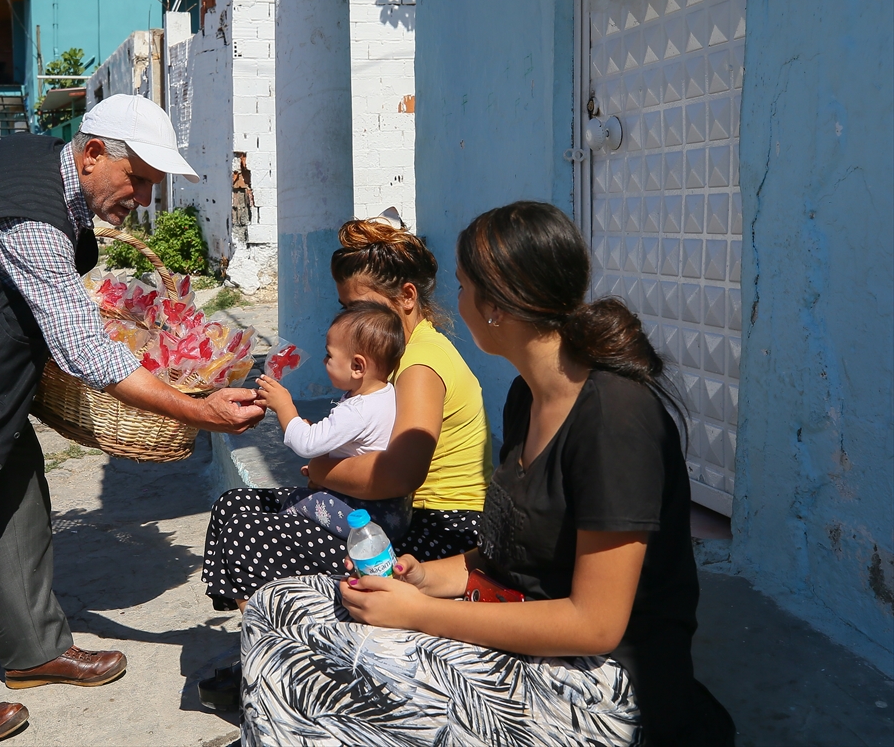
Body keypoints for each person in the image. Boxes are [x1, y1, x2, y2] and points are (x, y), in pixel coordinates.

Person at [238, 202, 735, 746]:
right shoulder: (528, 395)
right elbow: (508, 556)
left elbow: (596, 624)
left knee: (297, 673)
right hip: (517, 620)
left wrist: (421, 614)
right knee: (273, 608)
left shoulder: (615, 419)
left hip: (603, 686)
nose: (458, 304)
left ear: (497, 305)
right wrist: (424, 577)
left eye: (464, 288)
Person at [0, 94, 263, 746]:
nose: (145, 202)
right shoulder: (32, 214)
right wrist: (198, 412)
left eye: (153, 189)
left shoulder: (58, 166)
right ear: (95, 152)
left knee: (18, 495)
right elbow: (85, 350)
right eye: (139, 183)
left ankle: (33, 651)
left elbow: (62, 307)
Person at [198, 214, 491, 708]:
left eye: (360, 306)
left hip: (437, 529)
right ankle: (272, 645)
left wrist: (322, 471)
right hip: (389, 510)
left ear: (407, 297)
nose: (350, 320)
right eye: (345, 307)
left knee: (256, 534)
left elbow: (400, 473)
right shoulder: (393, 356)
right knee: (235, 507)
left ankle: (283, 661)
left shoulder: (420, 365)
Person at [259, 300, 411, 541]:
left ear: (357, 366)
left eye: (329, 355)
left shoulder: (357, 410)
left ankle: (280, 543)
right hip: (395, 512)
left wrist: (284, 406)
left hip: (369, 517)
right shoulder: (386, 394)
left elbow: (306, 444)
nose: (324, 361)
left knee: (297, 501)